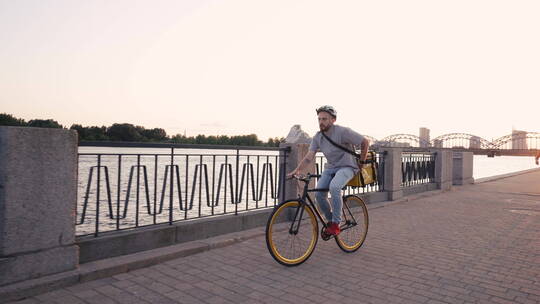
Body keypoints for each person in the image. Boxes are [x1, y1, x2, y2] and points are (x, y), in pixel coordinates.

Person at [288, 105, 369, 236]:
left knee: (335, 187)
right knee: (319, 195)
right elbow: (309, 157)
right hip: (331, 168)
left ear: (333, 120)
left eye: (324, 119)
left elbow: (365, 142)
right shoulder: (318, 137)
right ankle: (331, 222)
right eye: (319, 119)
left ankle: (336, 223)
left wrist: (362, 162)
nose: (321, 122)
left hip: (347, 166)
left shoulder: (343, 132)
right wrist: (296, 170)